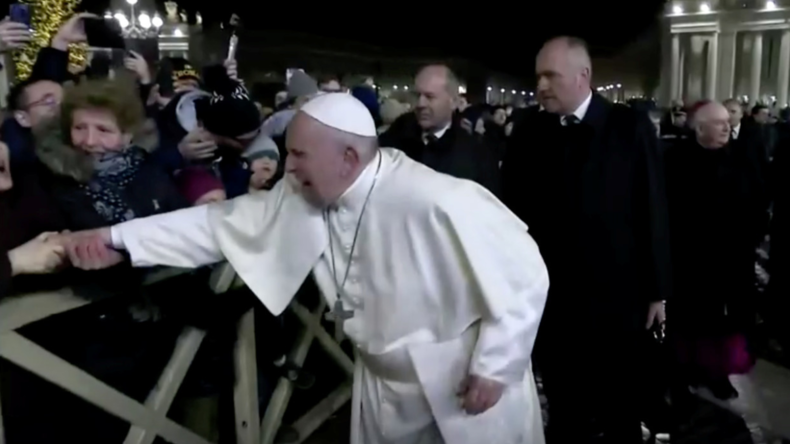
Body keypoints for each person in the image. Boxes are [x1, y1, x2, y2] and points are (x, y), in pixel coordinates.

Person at [64, 93, 549, 444]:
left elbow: (525, 275)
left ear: (348, 157)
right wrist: (117, 238)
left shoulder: (440, 199)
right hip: (381, 383)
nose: (287, 167)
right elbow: (217, 225)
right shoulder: (306, 191)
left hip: (461, 381)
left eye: (298, 154)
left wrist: (495, 366)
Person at [501, 36, 671, 444]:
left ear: (583, 76)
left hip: (617, 300)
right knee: (565, 406)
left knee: (618, 408)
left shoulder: (628, 126)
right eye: (538, 75)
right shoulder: (528, 131)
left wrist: (657, 291)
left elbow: (653, 206)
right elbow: (511, 213)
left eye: (551, 76)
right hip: (552, 301)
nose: (541, 85)